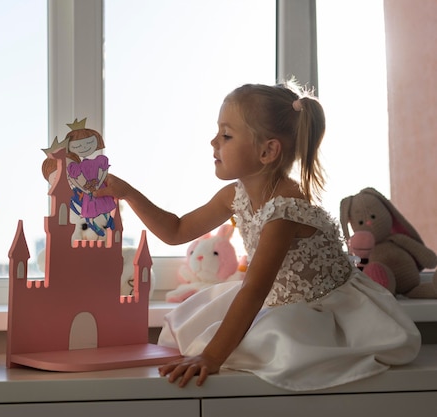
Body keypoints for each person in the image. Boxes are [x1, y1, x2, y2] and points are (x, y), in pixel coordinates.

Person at [93, 81, 420, 390]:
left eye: (226, 135)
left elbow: (254, 290)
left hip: (325, 311)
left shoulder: (286, 209)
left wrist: (211, 357)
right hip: (277, 299)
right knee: (192, 323)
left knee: (267, 342)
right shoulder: (232, 196)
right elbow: (176, 230)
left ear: (268, 151)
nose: (213, 142)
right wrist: (128, 193)